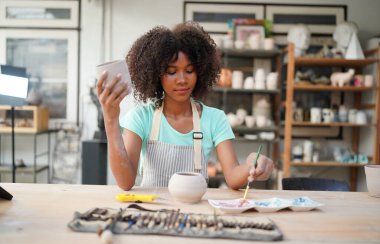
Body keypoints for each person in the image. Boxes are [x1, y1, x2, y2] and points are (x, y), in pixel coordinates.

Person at [97, 21, 274, 190]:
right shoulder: (141, 117)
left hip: (196, 214)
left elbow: (233, 177)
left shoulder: (215, 118)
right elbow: (125, 181)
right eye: (172, 72)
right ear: (156, 75)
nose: (182, 80)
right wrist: (111, 120)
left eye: (189, 71)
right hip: (152, 213)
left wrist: (252, 163)